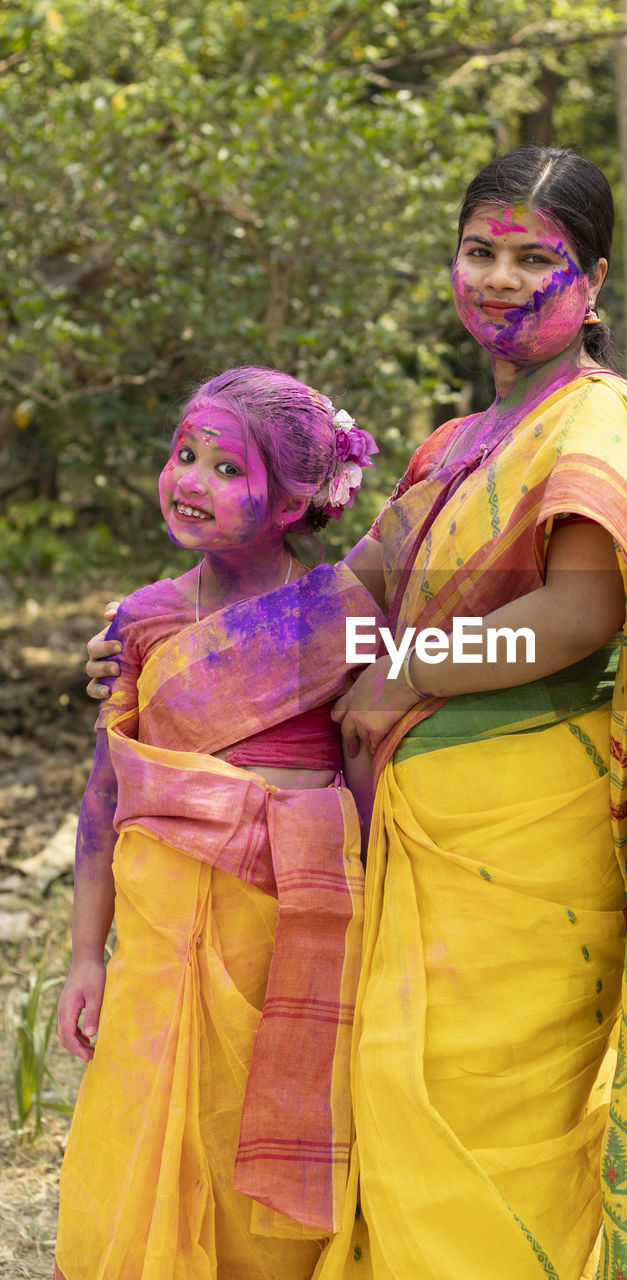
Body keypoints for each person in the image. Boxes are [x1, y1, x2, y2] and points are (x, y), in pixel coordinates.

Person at [86, 150, 627, 1280]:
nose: (502, 279)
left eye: (534, 258)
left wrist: (416, 670)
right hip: (412, 845)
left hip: (527, 843)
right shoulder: (454, 447)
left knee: (490, 1122)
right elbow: (342, 601)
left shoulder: (596, 424)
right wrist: (165, 647)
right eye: (480, 252)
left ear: (595, 281)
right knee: (397, 1104)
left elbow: (575, 614)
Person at [56, 367, 383, 1280]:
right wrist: (88, 955)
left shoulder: (342, 616)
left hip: (293, 925)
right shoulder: (144, 619)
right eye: (183, 454)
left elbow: (366, 769)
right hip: (163, 930)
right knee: (157, 1125)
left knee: (266, 1127)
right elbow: (103, 793)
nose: (190, 481)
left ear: (292, 502)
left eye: (226, 469)